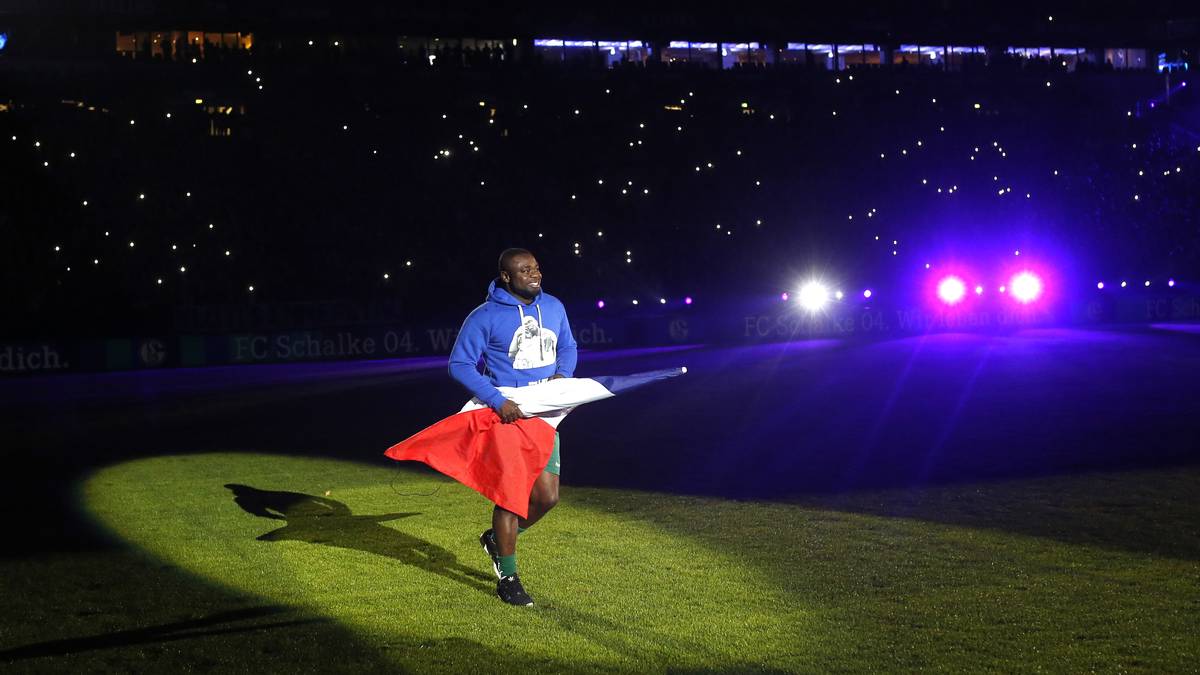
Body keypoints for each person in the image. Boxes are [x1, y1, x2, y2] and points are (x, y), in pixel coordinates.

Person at [447, 248, 577, 606]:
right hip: (507, 415)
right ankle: (508, 576)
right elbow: (459, 365)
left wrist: (562, 378)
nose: (534, 275)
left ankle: (497, 540)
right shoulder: (484, 316)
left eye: (536, 268)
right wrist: (497, 400)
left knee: (547, 498)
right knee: (511, 496)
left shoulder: (554, 306)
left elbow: (568, 346)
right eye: (524, 270)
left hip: (546, 414)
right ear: (506, 276)